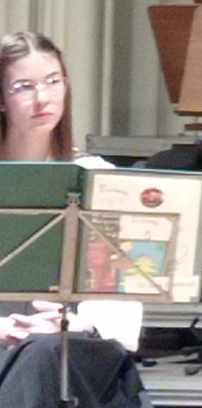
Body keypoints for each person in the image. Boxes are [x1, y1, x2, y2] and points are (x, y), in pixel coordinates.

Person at [0, 32, 145, 408]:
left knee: (47, 353)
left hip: (75, 346)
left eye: (53, 81)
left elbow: (119, 300)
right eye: (24, 87)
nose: (43, 98)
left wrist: (71, 323)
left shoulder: (97, 176)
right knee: (39, 358)